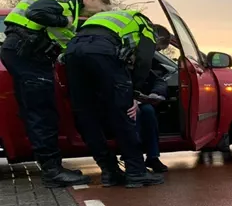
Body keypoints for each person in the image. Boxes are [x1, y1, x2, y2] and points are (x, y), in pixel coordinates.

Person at [0, 0, 110, 188]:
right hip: (28, 55)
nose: (97, 14)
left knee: (36, 112)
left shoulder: (70, 4)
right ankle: (53, 172)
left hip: (26, 53)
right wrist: (64, 20)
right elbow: (37, 11)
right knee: (43, 114)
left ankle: (51, 168)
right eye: (101, 9)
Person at [63, 10, 170, 188]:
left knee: (85, 115)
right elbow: (144, 60)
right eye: (157, 49)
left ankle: (109, 172)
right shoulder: (146, 26)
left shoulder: (107, 20)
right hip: (102, 52)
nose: (154, 52)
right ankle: (136, 172)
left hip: (73, 51)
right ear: (158, 39)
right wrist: (133, 94)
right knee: (124, 112)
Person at [135, 37, 171, 173]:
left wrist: (155, 94)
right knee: (135, 114)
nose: (156, 52)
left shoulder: (144, 61)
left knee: (148, 111)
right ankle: (135, 159)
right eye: (158, 48)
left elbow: (159, 80)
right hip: (119, 100)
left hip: (136, 99)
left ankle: (152, 157)